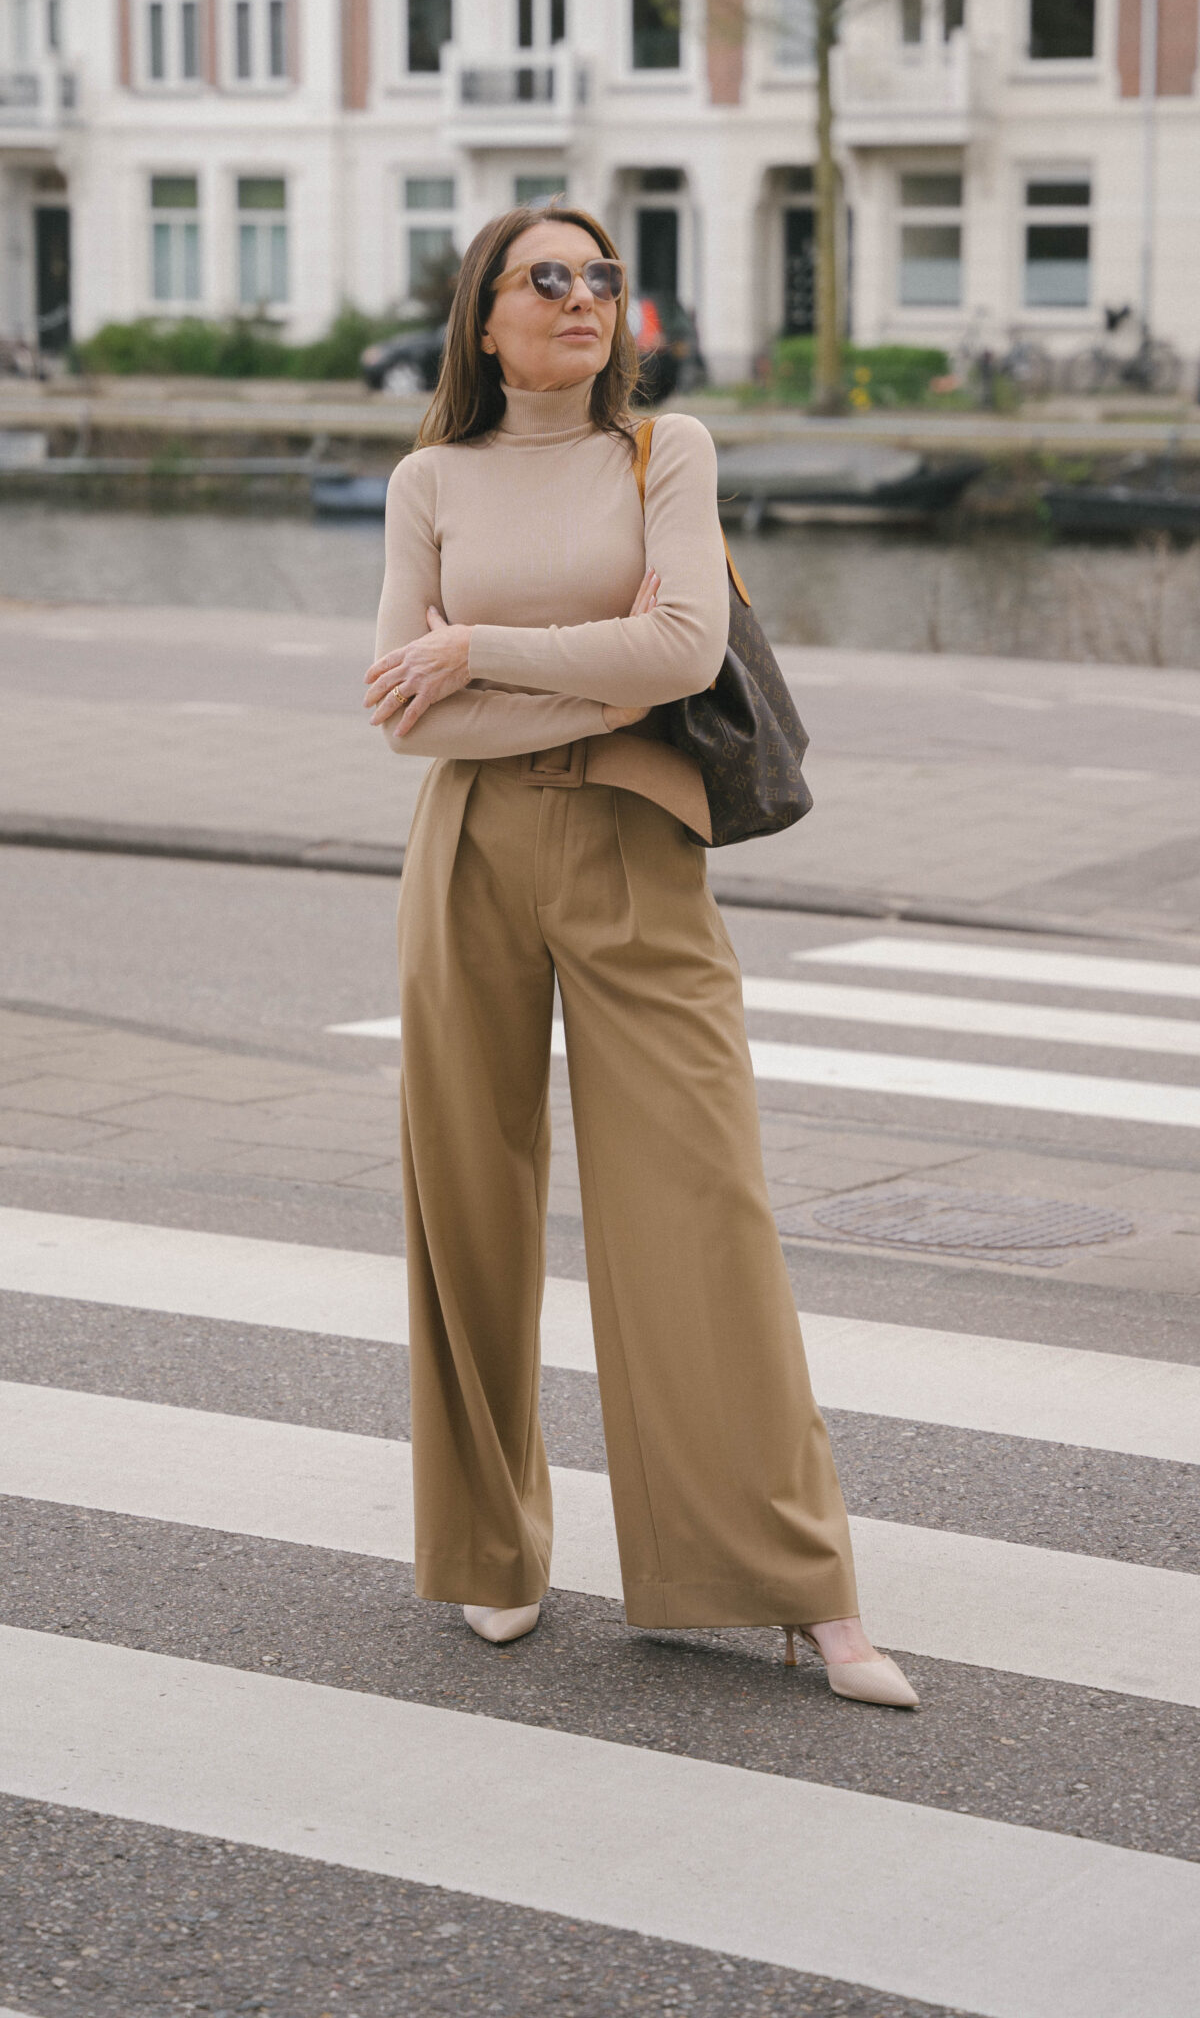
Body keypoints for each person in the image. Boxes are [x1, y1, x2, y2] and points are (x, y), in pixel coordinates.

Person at [364, 203, 918, 1709]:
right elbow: (405, 715)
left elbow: (681, 652)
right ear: (483, 318)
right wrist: (574, 679)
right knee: (465, 1202)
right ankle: (491, 1551)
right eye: (545, 278)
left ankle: (799, 1587)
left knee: (701, 1203)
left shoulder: (664, 453)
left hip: (639, 858)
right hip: (466, 853)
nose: (582, 297)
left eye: (602, 276)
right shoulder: (429, 479)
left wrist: (478, 649)